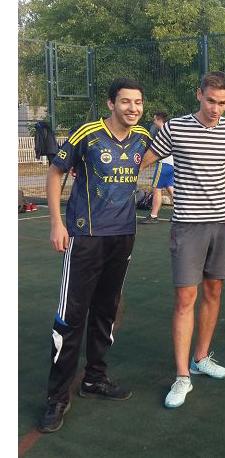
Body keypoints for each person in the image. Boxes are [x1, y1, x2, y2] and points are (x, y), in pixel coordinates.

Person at [38, 78, 151, 433]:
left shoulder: (142, 137)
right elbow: (55, 173)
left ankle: (95, 378)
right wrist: (57, 223)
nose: (133, 108)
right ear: (111, 104)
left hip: (123, 236)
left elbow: (146, 159)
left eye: (138, 102)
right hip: (85, 237)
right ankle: (57, 397)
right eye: (125, 101)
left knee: (106, 311)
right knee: (70, 317)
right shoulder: (87, 134)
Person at [139, 71, 225, 409]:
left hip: (221, 223)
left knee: (214, 292)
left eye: (222, 103)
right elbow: (143, 159)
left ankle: (201, 358)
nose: (216, 109)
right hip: (187, 225)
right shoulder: (176, 127)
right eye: (211, 101)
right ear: (199, 94)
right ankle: (182, 376)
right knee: (185, 298)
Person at [140, 111, 174, 224]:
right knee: (170, 188)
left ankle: (153, 216)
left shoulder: (163, 132)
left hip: (164, 164)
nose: (153, 122)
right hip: (171, 164)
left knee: (156, 189)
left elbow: (157, 150)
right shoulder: (170, 130)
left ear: (159, 119)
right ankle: (181, 212)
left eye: (154, 119)